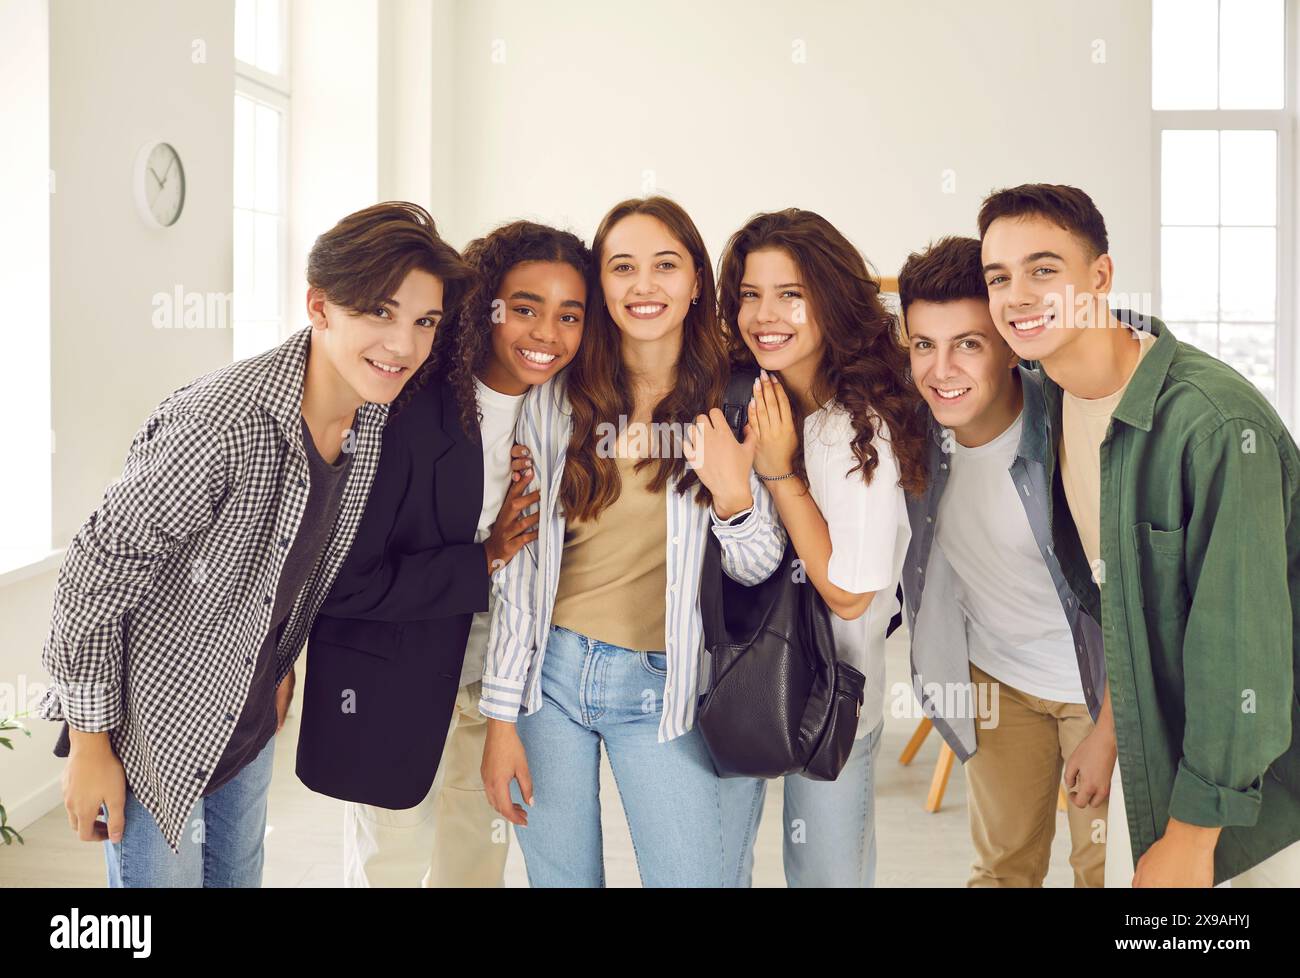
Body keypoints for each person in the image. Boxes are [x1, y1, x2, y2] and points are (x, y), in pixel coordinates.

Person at [38, 201, 468, 887]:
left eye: (424, 322)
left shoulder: (370, 419)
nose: (404, 346)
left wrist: (279, 658)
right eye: (379, 314)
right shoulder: (223, 421)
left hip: (249, 712)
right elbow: (93, 573)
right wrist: (89, 745)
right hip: (159, 728)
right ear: (320, 307)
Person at [979, 182, 1300, 887]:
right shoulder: (1050, 402)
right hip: (1160, 757)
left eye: (1042, 270)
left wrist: (1192, 836)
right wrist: (1108, 731)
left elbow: (1240, 648)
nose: (1018, 296)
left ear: (1100, 276)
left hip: (1257, 803)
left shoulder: (1215, 426)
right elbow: (1131, 605)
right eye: (998, 277)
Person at [479, 195, 785, 887]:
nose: (644, 286)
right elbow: (521, 574)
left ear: (696, 280)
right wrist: (501, 720)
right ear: (601, 284)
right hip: (548, 681)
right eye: (622, 267)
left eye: (665, 266)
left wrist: (735, 494)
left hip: (664, 689)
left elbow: (759, 567)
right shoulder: (556, 397)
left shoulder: (738, 399)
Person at [296, 221, 590, 887]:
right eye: (523, 309)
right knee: (390, 860)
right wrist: (481, 560)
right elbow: (339, 582)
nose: (545, 334)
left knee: (478, 857)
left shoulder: (563, 414)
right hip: (394, 672)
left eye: (567, 315)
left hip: (497, 678)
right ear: (484, 305)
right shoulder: (401, 404)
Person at [715, 208, 927, 887]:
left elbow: (848, 590)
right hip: (747, 675)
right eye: (750, 294)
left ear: (830, 302)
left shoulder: (853, 424)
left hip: (834, 692)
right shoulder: (753, 397)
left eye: (790, 294)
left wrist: (777, 471)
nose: (764, 314)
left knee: (826, 877)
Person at [898, 234, 1110, 886]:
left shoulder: (1071, 424)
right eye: (924, 346)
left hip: (1096, 691)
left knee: (1103, 870)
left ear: (1008, 343)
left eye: (967, 343)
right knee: (1001, 870)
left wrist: (1109, 727)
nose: (943, 369)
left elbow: (1144, 593)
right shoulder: (907, 437)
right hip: (996, 682)